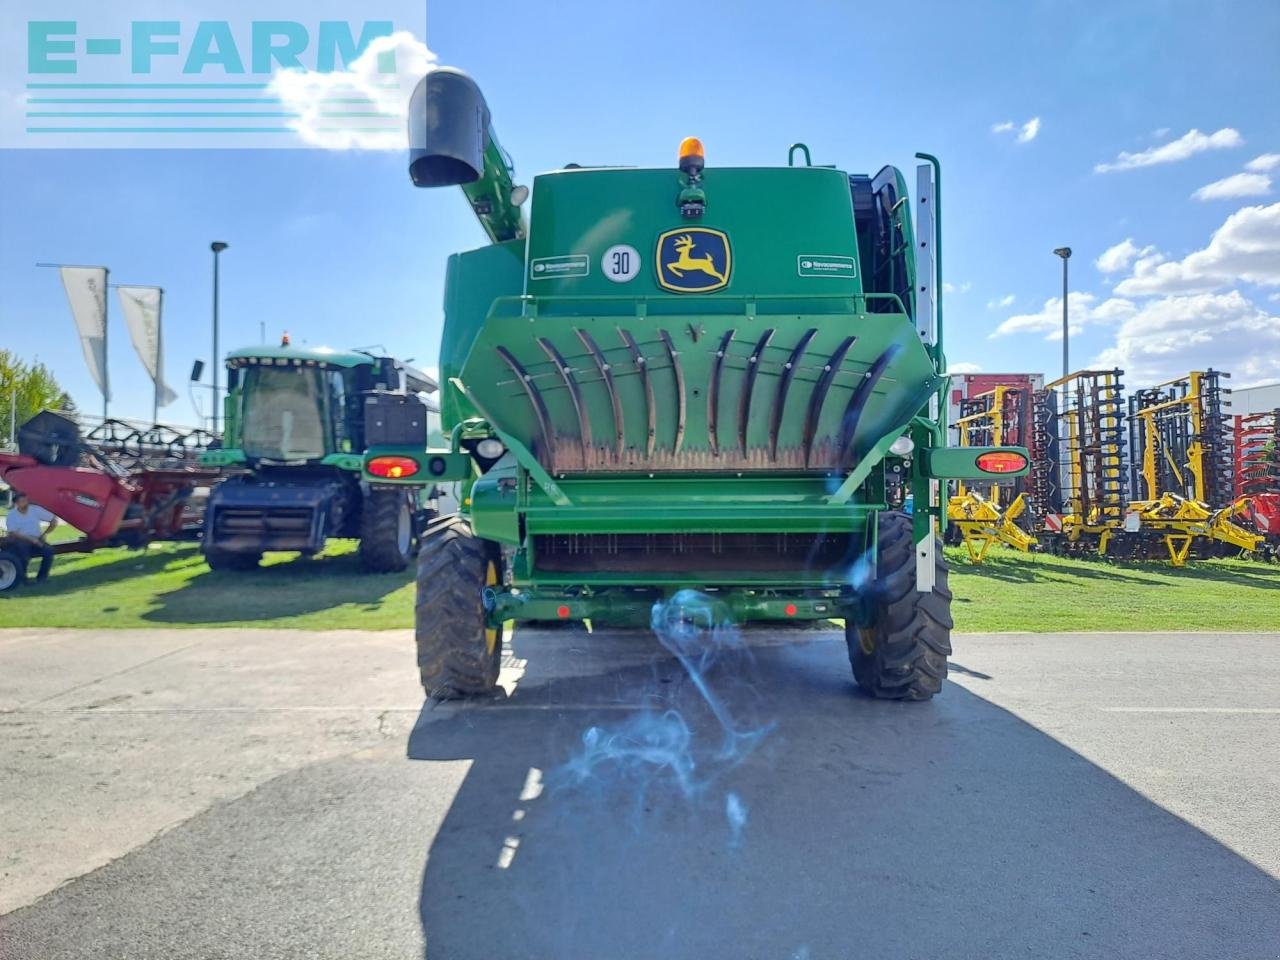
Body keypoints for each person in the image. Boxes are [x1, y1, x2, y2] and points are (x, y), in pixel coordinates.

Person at [4, 492, 59, 582]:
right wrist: (32, 540)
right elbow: (13, 533)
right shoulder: (11, 515)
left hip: (36, 539)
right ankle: (23, 578)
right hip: (20, 540)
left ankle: (42, 577)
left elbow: (53, 520)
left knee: (48, 551)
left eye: (26, 500)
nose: (25, 503)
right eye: (22, 501)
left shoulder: (34, 510)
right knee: (23, 553)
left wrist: (45, 534)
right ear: (16, 503)